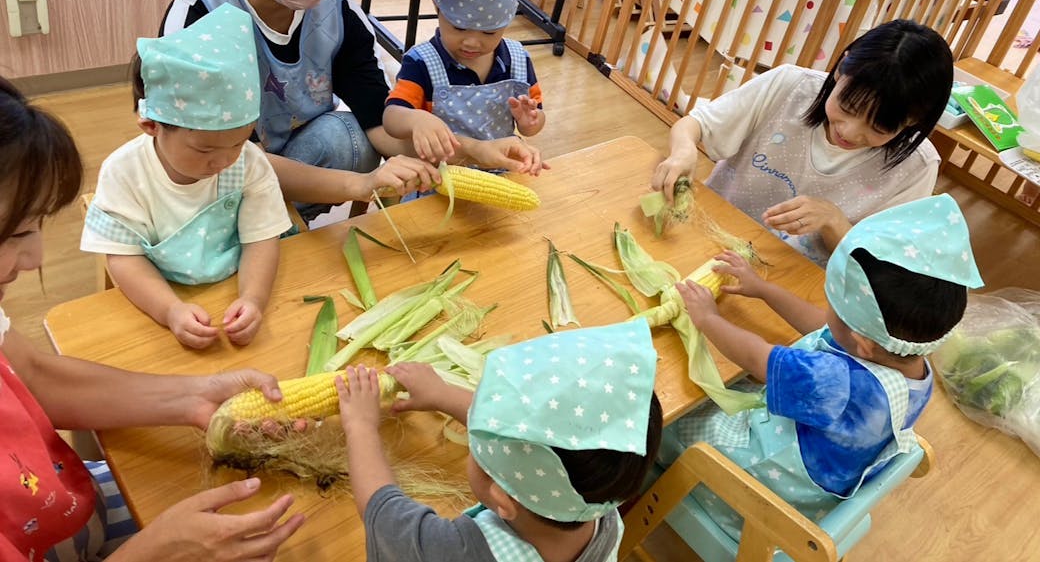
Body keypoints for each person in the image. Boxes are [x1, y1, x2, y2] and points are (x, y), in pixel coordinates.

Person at [0, 75, 303, 561]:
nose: (36, 257)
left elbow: (33, 378)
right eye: (14, 233)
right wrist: (159, 550)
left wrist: (195, 397)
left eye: (35, 226)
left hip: (54, 507)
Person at [662, 194, 983, 540]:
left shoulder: (833, 383)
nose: (826, 311)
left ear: (863, 342)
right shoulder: (911, 364)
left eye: (833, 305)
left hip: (749, 497)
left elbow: (756, 356)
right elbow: (821, 326)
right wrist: (764, 290)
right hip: (810, 493)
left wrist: (708, 318)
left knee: (670, 415)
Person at [161, 0, 543, 220]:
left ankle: (295, 220)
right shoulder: (201, 12)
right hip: (217, 168)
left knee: (350, 135)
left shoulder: (337, 11)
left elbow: (379, 123)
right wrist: (359, 186)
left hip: (292, 156)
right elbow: (232, 159)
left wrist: (475, 151)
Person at [336, 320, 664, 561]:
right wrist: (444, 395)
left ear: (503, 501)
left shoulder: (456, 553)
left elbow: (386, 517)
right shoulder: (598, 498)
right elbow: (532, 438)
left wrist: (361, 426)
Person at [652, 19, 954, 265]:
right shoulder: (790, 85)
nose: (848, 132)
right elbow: (695, 124)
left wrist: (833, 221)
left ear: (914, 119)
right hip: (708, 238)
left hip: (791, 281)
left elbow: (876, 267)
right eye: (847, 108)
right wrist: (683, 151)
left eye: (878, 128)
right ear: (840, 70)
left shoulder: (917, 166)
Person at [82, 5, 291, 350]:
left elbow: (261, 239)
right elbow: (123, 258)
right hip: (159, 291)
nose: (224, 161)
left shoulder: (248, 163)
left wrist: (253, 299)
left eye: (238, 142)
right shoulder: (124, 174)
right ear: (151, 125)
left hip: (235, 283)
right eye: (205, 151)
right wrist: (170, 311)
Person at [383, 0, 547, 168]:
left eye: (489, 33)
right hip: (441, 177)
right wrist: (416, 120)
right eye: (459, 28)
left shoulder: (517, 59)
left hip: (504, 171)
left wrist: (530, 122)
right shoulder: (421, 62)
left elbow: (536, 118)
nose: (472, 42)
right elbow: (391, 118)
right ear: (438, 7)